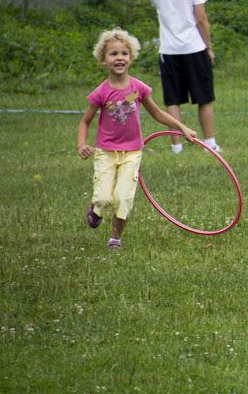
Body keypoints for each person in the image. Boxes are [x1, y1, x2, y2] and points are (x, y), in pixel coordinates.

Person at [77, 28, 197, 249]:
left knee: (124, 198)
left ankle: (115, 238)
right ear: (103, 60)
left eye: (124, 53)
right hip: (106, 151)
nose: (119, 57)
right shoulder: (101, 92)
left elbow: (158, 113)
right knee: (104, 198)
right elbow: (85, 121)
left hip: (132, 151)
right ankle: (96, 209)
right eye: (113, 54)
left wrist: (182, 128)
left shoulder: (138, 88)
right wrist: (82, 144)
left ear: (130, 57)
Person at [146, 0, 221, 154]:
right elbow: (201, 19)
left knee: (173, 100)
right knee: (204, 98)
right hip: (194, 47)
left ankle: (176, 146)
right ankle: (210, 143)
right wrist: (209, 47)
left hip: (168, 50)